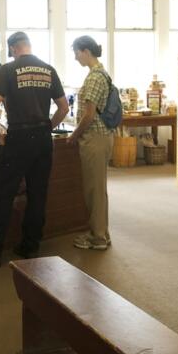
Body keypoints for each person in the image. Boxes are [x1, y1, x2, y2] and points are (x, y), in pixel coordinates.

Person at [0, 32, 69, 267]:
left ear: (14, 48)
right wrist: (48, 126)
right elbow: (64, 107)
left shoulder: (7, 70)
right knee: (38, 194)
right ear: (28, 46)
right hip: (43, 139)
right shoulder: (48, 69)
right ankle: (30, 246)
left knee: (3, 193)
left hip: (18, 137)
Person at [66, 35, 114, 251]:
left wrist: (74, 135)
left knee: (93, 190)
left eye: (76, 53)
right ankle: (102, 231)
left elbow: (89, 115)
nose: (76, 58)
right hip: (102, 137)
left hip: (94, 138)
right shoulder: (101, 73)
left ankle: (98, 238)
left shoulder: (94, 77)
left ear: (85, 51)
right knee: (98, 188)